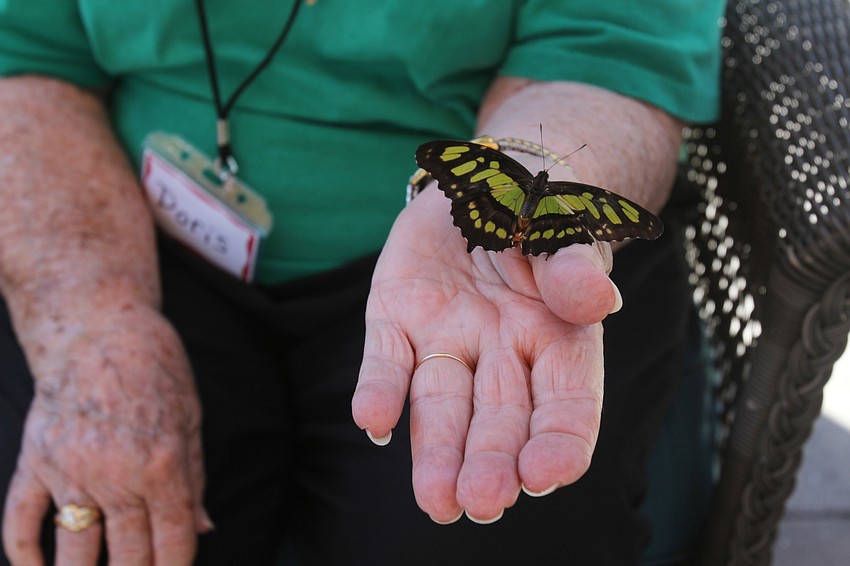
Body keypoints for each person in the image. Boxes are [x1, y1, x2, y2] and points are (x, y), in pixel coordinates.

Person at [0, 1, 723, 564]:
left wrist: (538, 162)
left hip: (468, 264)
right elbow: (22, 53)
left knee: (479, 529)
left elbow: (610, 49)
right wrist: (93, 322)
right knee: (84, 517)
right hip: (112, 228)